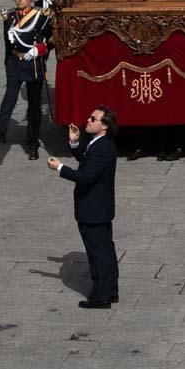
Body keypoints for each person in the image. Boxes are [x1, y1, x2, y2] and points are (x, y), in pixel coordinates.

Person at [47, 106, 119, 309]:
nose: (88, 120)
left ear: (104, 125)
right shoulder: (98, 144)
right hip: (99, 208)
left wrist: (60, 168)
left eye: (93, 119)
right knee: (105, 250)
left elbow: (86, 177)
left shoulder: (102, 148)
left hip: (93, 210)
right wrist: (75, 142)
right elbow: (87, 161)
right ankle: (110, 290)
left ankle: (101, 296)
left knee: (98, 254)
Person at [0, 0, 51, 159]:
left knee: (33, 106)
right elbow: (8, 45)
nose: (20, 0)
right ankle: (1, 129)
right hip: (15, 62)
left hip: (32, 63)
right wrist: (8, 63)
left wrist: (38, 51)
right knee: (9, 97)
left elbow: (50, 40)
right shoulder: (9, 17)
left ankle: (32, 143)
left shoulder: (41, 17)